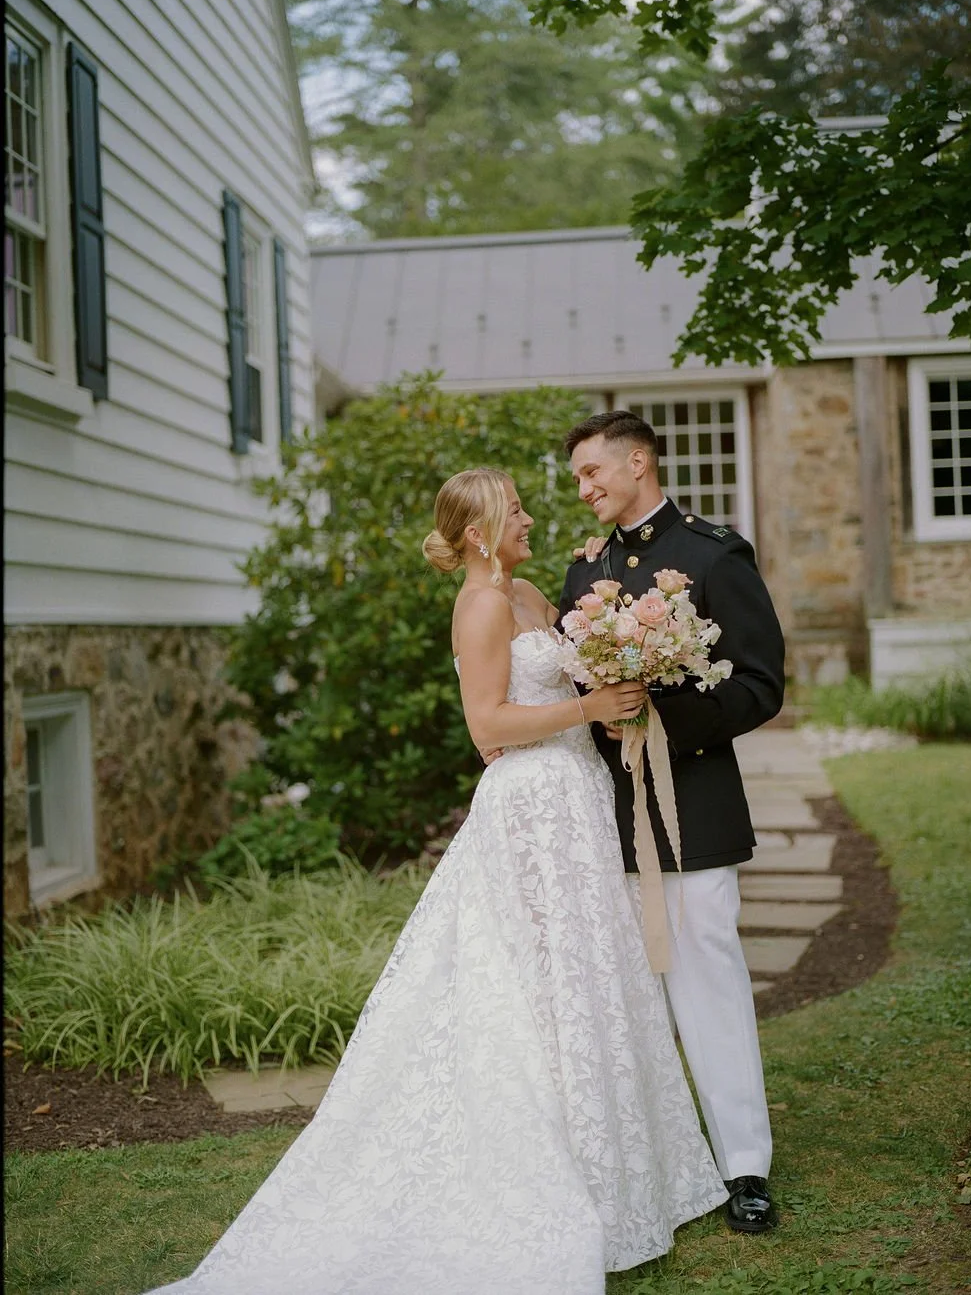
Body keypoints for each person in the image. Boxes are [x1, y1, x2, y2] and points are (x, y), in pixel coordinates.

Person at [146, 467, 727, 1295]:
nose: (530, 517)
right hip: (529, 808)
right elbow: (486, 725)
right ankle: (542, 1170)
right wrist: (586, 712)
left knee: (585, 979)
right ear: (481, 531)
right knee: (531, 989)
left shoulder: (525, 589)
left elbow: (561, 678)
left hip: (576, 800)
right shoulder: (482, 605)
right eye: (516, 510)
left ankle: (623, 1171)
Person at [558, 412, 786, 1234]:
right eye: (578, 477)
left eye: (592, 472)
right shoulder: (584, 576)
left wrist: (666, 718)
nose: (583, 489)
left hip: (695, 803)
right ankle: (652, 1160)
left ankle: (744, 1167)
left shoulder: (711, 554)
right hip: (605, 813)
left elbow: (761, 683)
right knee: (622, 998)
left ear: (639, 461)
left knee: (709, 979)